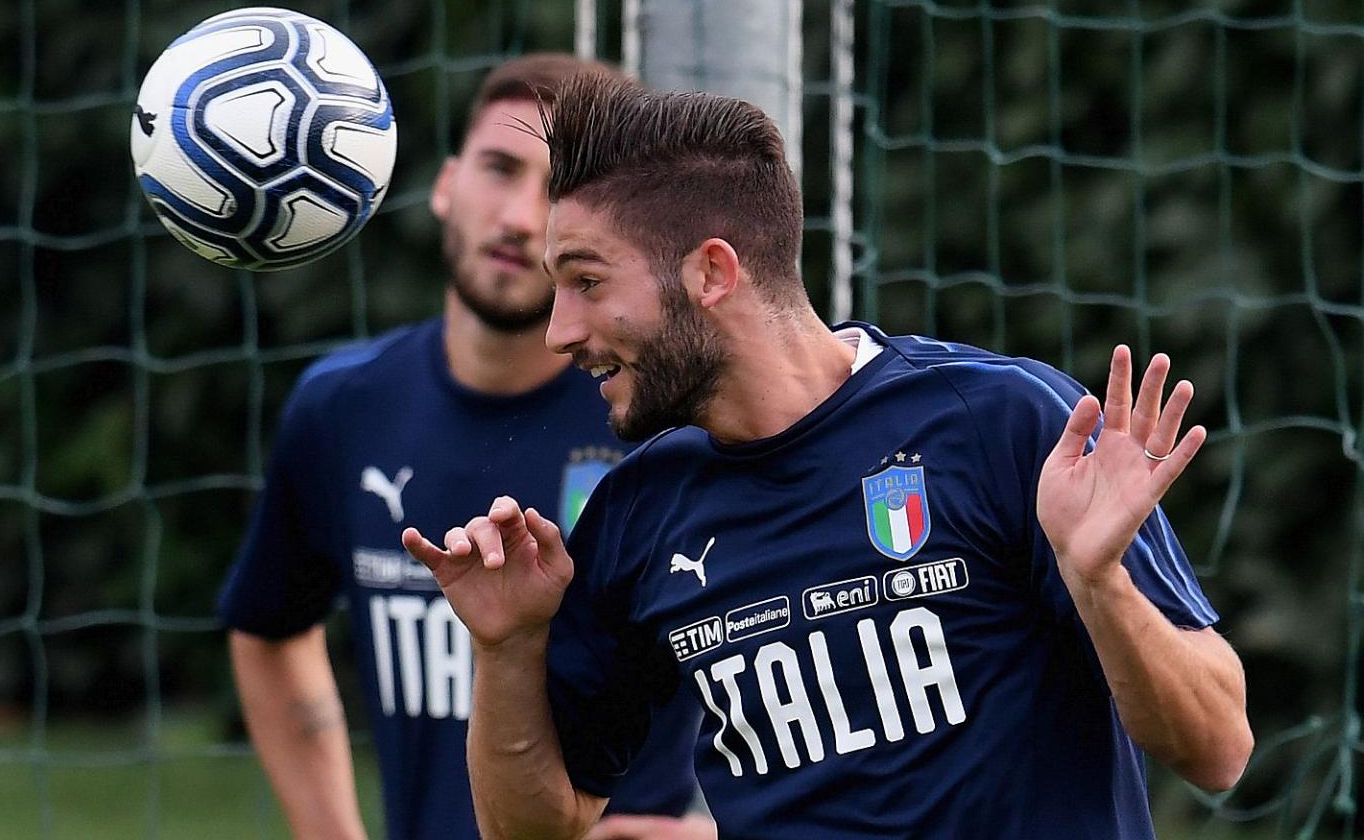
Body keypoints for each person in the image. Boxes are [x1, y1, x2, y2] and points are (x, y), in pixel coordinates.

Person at [402, 74, 1254, 840]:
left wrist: (1099, 582)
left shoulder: (1003, 424)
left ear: (711, 272)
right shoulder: (638, 512)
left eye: (586, 282)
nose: (560, 332)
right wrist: (507, 648)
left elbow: (1219, 750)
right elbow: (535, 828)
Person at [217, 55, 711, 840]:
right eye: (498, 168)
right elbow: (270, 629)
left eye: (552, 191)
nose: (518, 216)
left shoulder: (666, 430)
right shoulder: (342, 407)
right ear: (446, 184)